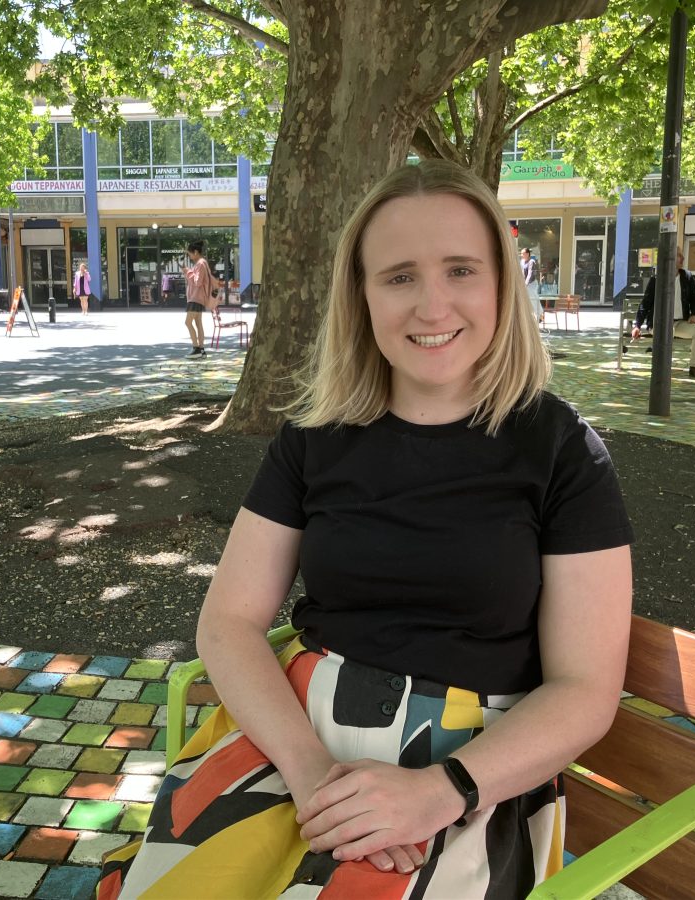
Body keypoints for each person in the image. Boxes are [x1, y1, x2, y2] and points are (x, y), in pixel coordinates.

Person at [98, 160, 634, 899]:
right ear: (362, 295)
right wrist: (313, 773)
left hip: (471, 774)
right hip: (295, 745)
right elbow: (227, 623)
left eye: (460, 270)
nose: (432, 304)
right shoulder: (314, 439)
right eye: (399, 277)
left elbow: (585, 688)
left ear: (503, 286)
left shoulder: (561, 451)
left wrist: (439, 791)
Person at [632, 250, 695, 380]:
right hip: (658, 322)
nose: (682, 259)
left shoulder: (687, 277)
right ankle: (663, 367)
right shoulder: (657, 278)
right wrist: (637, 325)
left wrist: (694, 314)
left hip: (679, 322)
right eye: (678, 256)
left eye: (681, 257)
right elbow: (646, 302)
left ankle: (694, 367)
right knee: (668, 330)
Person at [184, 240, 216, 357]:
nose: (190, 256)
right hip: (198, 298)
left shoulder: (200, 264)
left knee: (188, 323)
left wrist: (188, 272)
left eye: (190, 254)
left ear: (196, 252)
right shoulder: (202, 263)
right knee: (198, 323)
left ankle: (196, 348)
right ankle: (201, 350)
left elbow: (197, 282)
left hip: (195, 298)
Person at [520, 247, 541, 322]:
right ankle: (539, 314)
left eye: (523, 253)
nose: (521, 255)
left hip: (532, 284)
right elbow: (521, 272)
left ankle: (538, 316)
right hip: (525, 284)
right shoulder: (522, 261)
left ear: (527, 254)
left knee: (533, 300)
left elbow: (530, 274)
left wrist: (526, 284)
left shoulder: (531, 261)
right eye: (521, 253)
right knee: (530, 300)